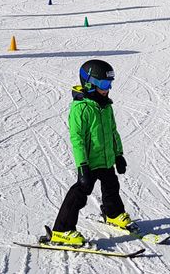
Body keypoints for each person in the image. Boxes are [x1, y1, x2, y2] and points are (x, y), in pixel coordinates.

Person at [49, 59, 135, 246]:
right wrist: (82, 167)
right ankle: (62, 230)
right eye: (104, 84)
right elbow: (77, 140)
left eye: (110, 84)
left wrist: (118, 154)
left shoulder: (106, 106)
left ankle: (112, 214)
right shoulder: (81, 109)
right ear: (89, 84)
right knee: (80, 193)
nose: (108, 88)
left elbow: (113, 132)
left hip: (106, 159)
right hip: (90, 163)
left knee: (112, 186)